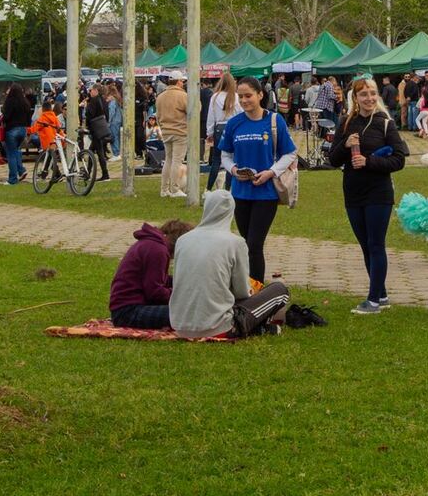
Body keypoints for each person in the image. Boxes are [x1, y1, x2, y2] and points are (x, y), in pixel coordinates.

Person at [328, 78, 407, 315]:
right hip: (353, 191)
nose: (369, 99)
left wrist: (369, 161)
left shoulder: (386, 124)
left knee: (375, 244)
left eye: (372, 94)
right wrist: (345, 145)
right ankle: (380, 295)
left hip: (378, 192)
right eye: (364, 95)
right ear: (355, 97)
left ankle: (372, 301)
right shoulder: (345, 122)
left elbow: (399, 159)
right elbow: (333, 159)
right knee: (365, 245)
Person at [169, 189, 290, 338]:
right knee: (279, 290)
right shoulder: (236, 243)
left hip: (179, 324)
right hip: (219, 326)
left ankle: (258, 327)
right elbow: (242, 292)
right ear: (231, 212)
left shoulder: (183, 240)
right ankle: (255, 326)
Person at [218, 77, 297, 285]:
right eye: (240, 96)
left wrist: (270, 172)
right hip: (240, 192)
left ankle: (257, 290)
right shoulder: (234, 123)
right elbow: (225, 155)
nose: (244, 100)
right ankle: (245, 286)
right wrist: (234, 170)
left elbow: (289, 154)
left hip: (266, 194)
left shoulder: (274, 120)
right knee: (245, 244)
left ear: (260, 95)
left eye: (248, 96)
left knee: (255, 244)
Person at [109, 219, 194, 329]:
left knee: (187, 310)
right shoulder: (158, 250)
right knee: (189, 313)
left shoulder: (151, 244)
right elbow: (154, 292)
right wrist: (181, 297)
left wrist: (181, 282)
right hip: (128, 312)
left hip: (124, 308)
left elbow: (157, 279)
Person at [205, 72, 241, 191]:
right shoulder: (236, 97)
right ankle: (228, 189)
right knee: (231, 160)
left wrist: (209, 133)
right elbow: (240, 114)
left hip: (219, 128)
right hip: (233, 128)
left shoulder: (215, 97)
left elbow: (211, 116)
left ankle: (208, 189)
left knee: (216, 160)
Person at [155, 70, 188, 197]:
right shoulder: (183, 96)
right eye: (182, 81)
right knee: (177, 161)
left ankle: (164, 189)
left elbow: (157, 116)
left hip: (166, 131)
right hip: (180, 131)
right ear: (179, 81)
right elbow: (195, 109)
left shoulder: (160, 96)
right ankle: (175, 189)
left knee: (168, 160)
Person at [1, 84, 32, 185]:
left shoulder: (10, 101)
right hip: (22, 130)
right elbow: (29, 119)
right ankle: (21, 170)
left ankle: (13, 179)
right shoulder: (26, 103)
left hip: (12, 129)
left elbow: (6, 116)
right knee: (16, 152)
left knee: (11, 155)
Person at [28, 100, 64, 180]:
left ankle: (57, 174)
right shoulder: (54, 117)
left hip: (46, 142)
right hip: (55, 141)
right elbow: (58, 128)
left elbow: (34, 129)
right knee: (50, 158)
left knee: (49, 158)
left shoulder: (42, 118)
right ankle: (46, 173)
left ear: (43, 109)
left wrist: (26, 130)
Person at [84, 83, 111, 182]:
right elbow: (107, 115)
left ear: (96, 91)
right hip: (102, 129)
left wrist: (87, 107)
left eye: (91, 90)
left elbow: (89, 114)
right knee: (96, 151)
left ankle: (104, 173)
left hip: (96, 130)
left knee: (98, 152)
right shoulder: (103, 100)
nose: (90, 92)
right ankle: (89, 172)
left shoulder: (94, 101)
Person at [106, 84, 124, 162]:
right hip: (118, 121)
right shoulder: (117, 100)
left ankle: (116, 154)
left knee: (113, 137)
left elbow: (111, 112)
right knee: (117, 137)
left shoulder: (112, 102)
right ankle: (117, 153)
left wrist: (108, 122)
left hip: (113, 122)